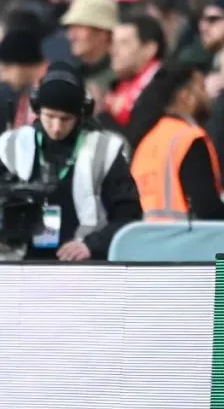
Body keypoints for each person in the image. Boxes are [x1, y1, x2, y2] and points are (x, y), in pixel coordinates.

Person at [0, 62, 142, 260]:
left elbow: (129, 217)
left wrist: (92, 245)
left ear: (81, 115)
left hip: (84, 266)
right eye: (49, 117)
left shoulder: (106, 150)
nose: (56, 127)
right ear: (37, 109)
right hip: (20, 267)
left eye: (65, 119)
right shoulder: (9, 146)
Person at [129, 61, 224, 221]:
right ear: (185, 96)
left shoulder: (146, 142)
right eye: (202, 88)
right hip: (184, 241)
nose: (208, 96)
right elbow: (208, 209)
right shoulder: (188, 139)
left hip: (146, 240)